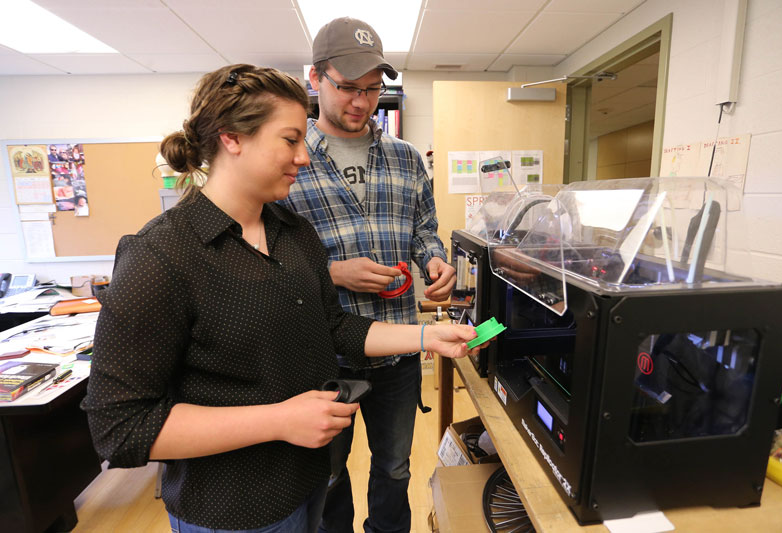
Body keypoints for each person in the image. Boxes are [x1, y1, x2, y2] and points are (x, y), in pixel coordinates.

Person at [81, 64, 485, 533]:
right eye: (290, 140)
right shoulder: (161, 255)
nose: (305, 157)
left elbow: (334, 327)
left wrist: (426, 335)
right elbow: (119, 427)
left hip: (307, 484)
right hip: (233, 512)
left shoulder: (293, 234)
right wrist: (278, 420)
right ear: (232, 138)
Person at [278, 17, 457, 533]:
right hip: (321, 355)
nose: (362, 101)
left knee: (395, 467)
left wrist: (434, 260)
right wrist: (333, 272)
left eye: (374, 89)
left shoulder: (404, 159)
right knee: (328, 474)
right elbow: (269, 257)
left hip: (399, 351)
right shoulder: (291, 161)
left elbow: (424, 227)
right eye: (348, 87)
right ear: (315, 78)